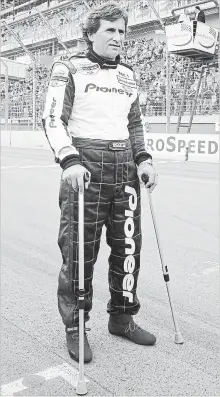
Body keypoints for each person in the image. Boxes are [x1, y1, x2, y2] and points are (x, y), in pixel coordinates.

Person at [42, 1, 158, 364]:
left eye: (122, 31)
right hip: (85, 166)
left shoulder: (129, 74)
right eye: (110, 30)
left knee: (128, 248)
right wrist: (69, 159)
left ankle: (122, 317)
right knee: (80, 252)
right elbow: (52, 119)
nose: (118, 37)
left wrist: (144, 158)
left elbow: (135, 123)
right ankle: (76, 326)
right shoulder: (68, 67)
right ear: (90, 34)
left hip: (125, 167)